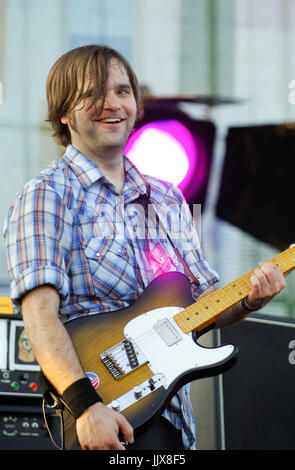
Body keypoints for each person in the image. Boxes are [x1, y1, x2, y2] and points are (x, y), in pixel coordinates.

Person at [3, 45, 286, 451]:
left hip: (173, 417)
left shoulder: (167, 199)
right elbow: (38, 316)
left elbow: (200, 306)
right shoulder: (46, 195)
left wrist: (249, 300)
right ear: (64, 113)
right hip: (104, 413)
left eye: (122, 91)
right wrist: (85, 406)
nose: (112, 103)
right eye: (93, 93)